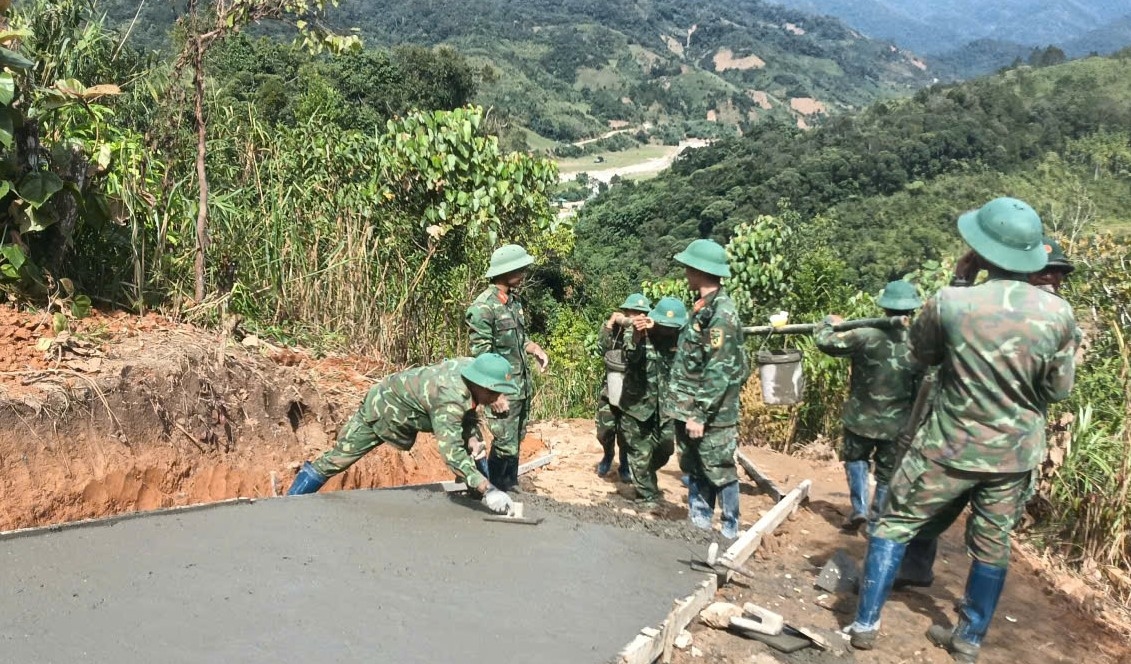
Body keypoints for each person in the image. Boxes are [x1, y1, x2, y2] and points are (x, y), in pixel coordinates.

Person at [846, 197, 1079, 663]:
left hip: (948, 446)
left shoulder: (952, 302)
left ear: (980, 252)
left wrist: (960, 281)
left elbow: (921, 357)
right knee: (992, 544)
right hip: (1013, 454)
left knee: (894, 523)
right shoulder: (1059, 314)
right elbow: (1058, 390)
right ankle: (969, 638)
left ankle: (866, 624)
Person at [892, 234, 1078, 590]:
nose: (1053, 280)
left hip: (979, 445)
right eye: (1045, 272)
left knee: (956, 526)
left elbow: (1057, 390)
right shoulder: (1051, 318)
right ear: (1024, 270)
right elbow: (1057, 389)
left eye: (1058, 274)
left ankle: (925, 582)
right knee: (937, 519)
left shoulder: (1056, 320)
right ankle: (916, 570)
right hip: (979, 444)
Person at [286, 353, 520, 516]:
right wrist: (488, 489)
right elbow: (452, 454)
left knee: (476, 443)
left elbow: (468, 410)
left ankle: (477, 495)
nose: (498, 398)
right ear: (482, 385)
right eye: (495, 393)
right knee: (339, 459)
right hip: (384, 410)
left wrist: (472, 437)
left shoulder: (471, 368)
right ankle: (288, 503)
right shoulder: (449, 398)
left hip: (418, 407)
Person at [815, 280, 923, 531]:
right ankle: (876, 521)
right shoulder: (920, 343)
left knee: (856, 459)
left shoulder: (864, 335)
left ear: (884, 308)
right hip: (897, 424)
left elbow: (825, 341)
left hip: (860, 418)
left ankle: (859, 509)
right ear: (912, 310)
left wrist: (827, 321)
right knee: (886, 474)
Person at [665, 239, 750, 539]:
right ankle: (699, 525)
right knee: (696, 466)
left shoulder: (721, 315)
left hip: (711, 412)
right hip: (690, 406)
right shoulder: (703, 307)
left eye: (689, 268)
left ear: (699, 271)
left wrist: (700, 413)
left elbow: (719, 368)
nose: (686, 273)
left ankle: (729, 529)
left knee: (719, 467)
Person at [466, 244, 550, 492]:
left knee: (515, 439)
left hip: (519, 386)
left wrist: (535, 349)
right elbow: (481, 357)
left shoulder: (513, 302)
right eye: (519, 269)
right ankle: (490, 491)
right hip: (501, 389)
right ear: (504, 271)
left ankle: (509, 486)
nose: (523, 273)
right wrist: (494, 394)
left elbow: (519, 340)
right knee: (503, 442)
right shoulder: (483, 307)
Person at [617, 296, 688, 508]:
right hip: (636, 406)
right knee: (639, 452)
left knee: (665, 448)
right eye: (665, 327)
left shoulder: (679, 337)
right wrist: (638, 336)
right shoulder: (638, 331)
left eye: (672, 328)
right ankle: (648, 498)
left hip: (664, 407)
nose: (667, 331)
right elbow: (630, 356)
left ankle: (644, 475)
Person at [596, 293, 653, 480]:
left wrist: (639, 334)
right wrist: (610, 324)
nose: (635, 316)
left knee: (626, 433)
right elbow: (601, 348)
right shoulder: (615, 329)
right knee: (604, 430)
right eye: (632, 312)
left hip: (632, 392)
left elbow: (637, 357)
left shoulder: (648, 333)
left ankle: (625, 465)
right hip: (610, 388)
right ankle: (608, 455)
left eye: (640, 313)